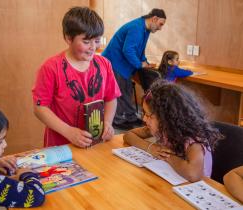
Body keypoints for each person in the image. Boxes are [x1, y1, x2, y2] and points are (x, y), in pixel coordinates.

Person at [32, 7, 121, 148]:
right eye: (86, 42)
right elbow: (40, 108)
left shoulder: (105, 64)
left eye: (97, 41)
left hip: (95, 142)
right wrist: (69, 132)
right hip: (62, 145)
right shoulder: (50, 68)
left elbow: (111, 98)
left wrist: (108, 122)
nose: (93, 47)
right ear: (68, 38)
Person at [123, 80, 223, 182]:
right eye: (144, 113)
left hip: (195, 188)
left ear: (166, 117)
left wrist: (168, 157)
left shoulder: (193, 139)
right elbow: (128, 135)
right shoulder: (163, 128)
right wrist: (151, 148)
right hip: (173, 178)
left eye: (149, 116)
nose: (144, 119)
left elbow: (193, 175)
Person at [102, 8, 166, 130]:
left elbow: (140, 50)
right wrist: (139, 64)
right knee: (120, 92)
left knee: (127, 90)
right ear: (154, 19)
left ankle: (130, 117)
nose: (160, 28)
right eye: (160, 24)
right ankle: (119, 119)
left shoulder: (145, 30)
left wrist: (145, 62)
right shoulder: (137, 27)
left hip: (123, 64)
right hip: (114, 63)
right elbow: (128, 50)